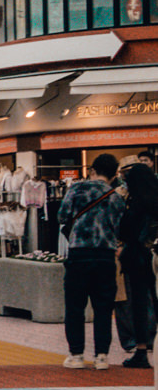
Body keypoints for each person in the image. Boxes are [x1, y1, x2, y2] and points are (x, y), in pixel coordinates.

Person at [59, 152, 124, 370]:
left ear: (92, 170)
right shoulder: (116, 196)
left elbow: (62, 216)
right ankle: (102, 356)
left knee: (75, 306)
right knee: (103, 307)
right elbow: (119, 226)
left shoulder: (76, 189)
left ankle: (76, 355)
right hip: (105, 255)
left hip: (79, 254)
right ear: (114, 174)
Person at [117, 163, 158, 368]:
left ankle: (141, 350)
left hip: (138, 258)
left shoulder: (136, 202)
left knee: (140, 304)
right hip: (155, 255)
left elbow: (124, 230)